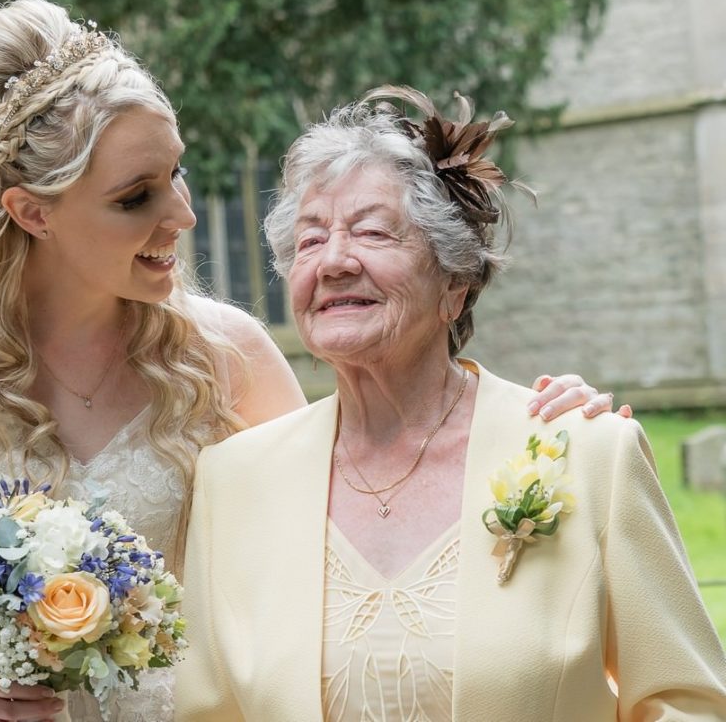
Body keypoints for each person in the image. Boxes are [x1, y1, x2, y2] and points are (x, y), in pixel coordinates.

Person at [0, 0, 619, 722]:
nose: (181, 215)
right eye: (135, 197)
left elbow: (365, 494)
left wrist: (531, 430)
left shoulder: (226, 355)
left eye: (177, 173)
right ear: (34, 213)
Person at [174, 85, 726, 721]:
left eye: (372, 232)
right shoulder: (232, 482)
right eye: (308, 240)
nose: (332, 262)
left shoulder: (588, 456)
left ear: (456, 286)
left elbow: (688, 705)